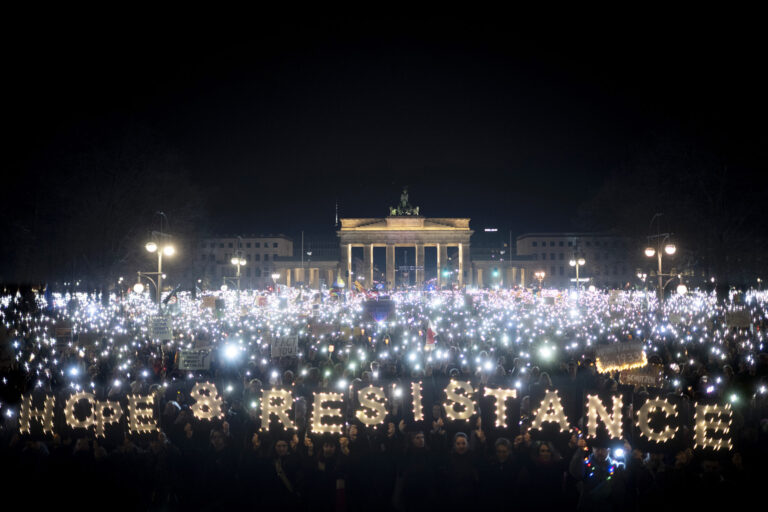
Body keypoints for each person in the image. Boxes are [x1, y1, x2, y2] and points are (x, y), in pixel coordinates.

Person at [569, 437, 626, 511]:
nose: (600, 452)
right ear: (592, 449)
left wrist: (627, 454)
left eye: (603, 449)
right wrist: (580, 451)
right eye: (597, 449)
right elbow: (575, 472)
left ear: (609, 450)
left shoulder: (616, 467)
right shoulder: (585, 464)